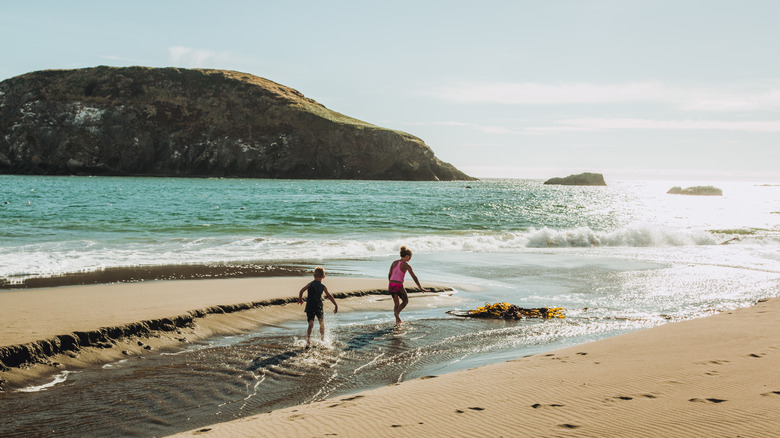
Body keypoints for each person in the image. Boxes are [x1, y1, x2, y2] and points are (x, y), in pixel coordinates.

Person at [298, 266, 338, 347]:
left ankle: (308, 340)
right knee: (321, 323)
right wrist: (335, 305)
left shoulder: (310, 284)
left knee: (310, 324)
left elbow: (301, 291)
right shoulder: (323, 287)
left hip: (310, 306)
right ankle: (322, 339)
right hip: (318, 306)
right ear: (323, 277)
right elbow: (330, 296)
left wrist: (300, 299)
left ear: (314, 275)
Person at [388, 246, 426, 324]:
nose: (410, 259)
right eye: (410, 257)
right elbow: (414, 276)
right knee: (405, 301)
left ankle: (397, 321)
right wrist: (420, 287)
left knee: (396, 303)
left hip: (391, 285)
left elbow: (389, 274)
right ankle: (397, 313)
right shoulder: (406, 265)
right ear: (407, 256)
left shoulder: (394, 262)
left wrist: (391, 283)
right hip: (398, 286)